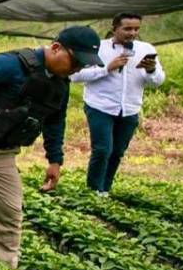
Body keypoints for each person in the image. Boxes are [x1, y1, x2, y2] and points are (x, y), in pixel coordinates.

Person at [0, 26, 103, 267]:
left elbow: (54, 120)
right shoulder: (10, 65)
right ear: (55, 48)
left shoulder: (61, 83)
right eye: (75, 61)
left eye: (82, 65)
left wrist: (55, 160)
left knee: (10, 212)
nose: (77, 69)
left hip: (3, 154)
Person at [70, 13, 164, 195]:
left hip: (129, 109)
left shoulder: (145, 49)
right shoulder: (98, 48)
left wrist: (151, 70)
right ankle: (92, 190)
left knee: (117, 151)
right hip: (100, 106)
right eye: (127, 28)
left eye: (136, 29)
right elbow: (75, 75)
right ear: (114, 28)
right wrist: (106, 68)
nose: (132, 33)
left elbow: (158, 81)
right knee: (103, 149)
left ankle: (104, 189)